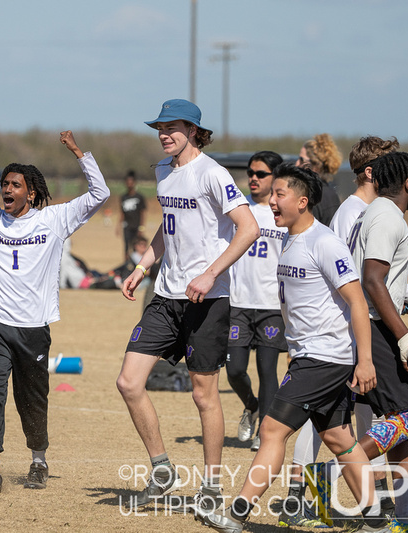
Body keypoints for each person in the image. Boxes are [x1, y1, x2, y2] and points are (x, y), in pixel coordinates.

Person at [197, 163, 387, 533]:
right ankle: (377, 521)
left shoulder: (324, 243)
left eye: (279, 194)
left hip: (326, 357)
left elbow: (358, 302)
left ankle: (236, 514)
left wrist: (365, 360)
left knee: (271, 429)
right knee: (338, 438)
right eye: (272, 194)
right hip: (310, 356)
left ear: (302, 202)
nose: (271, 201)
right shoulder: (289, 239)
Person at [0, 125, 109, 494]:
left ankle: (38, 461)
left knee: (32, 400)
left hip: (33, 330)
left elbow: (99, 193)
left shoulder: (54, 220)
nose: (7, 189)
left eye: (15, 185)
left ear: (30, 192)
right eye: (4, 184)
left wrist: (79, 153)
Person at [116, 99, 259, 512]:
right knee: (129, 382)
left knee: (203, 394)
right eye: (160, 128)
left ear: (193, 131)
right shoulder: (163, 170)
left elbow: (248, 228)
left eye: (172, 127)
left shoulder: (212, 173)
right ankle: (163, 470)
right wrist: (142, 266)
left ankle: (211, 488)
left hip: (208, 299)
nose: (164, 134)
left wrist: (211, 273)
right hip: (166, 296)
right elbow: (169, 227)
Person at [284, 136, 405, 526]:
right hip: (346, 333)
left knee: (355, 416)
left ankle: (376, 501)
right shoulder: (353, 212)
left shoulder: (368, 209)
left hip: (361, 329)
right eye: (392, 167)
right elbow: (359, 279)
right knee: (321, 416)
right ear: (372, 171)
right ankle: (297, 495)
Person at [347, 151, 408, 531]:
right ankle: (337, 467)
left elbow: (381, 282)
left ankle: (405, 517)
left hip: (375, 325)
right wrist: (405, 336)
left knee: (404, 422)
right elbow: (371, 280)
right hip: (376, 331)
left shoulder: (377, 213)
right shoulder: (386, 216)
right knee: (406, 419)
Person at [226, 151, 287, 453]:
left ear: (275, 177)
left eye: (261, 174)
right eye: (251, 172)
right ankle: (251, 405)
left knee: (267, 371)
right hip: (238, 302)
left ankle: (265, 429)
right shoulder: (238, 209)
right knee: (234, 370)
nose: (253, 178)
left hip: (271, 306)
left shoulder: (283, 214)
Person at [296, 133, 342, 225]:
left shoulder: (315, 195)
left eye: (301, 160)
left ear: (315, 165)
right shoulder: (330, 193)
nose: (297, 163)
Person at [118, 170, 146, 260]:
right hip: (127, 226)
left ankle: (135, 264)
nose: (129, 184)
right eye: (127, 182)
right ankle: (126, 264)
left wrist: (141, 227)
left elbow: (142, 213)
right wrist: (118, 226)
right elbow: (122, 212)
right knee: (126, 247)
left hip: (136, 226)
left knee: (136, 247)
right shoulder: (123, 197)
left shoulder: (139, 197)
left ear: (134, 183)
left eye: (131, 182)